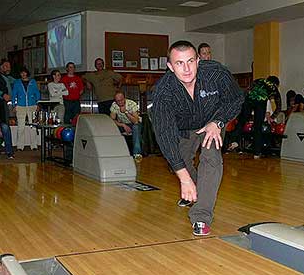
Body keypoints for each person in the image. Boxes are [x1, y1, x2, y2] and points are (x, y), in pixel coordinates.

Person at [152, 40, 244, 236]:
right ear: (170, 67)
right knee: (178, 162)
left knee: (211, 157)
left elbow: (236, 99)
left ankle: (201, 215)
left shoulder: (216, 73)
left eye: (190, 61)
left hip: (213, 122)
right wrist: (184, 179)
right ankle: (196, 189)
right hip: (184, 128)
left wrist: (219, 122)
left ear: (198, 61)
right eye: (179, 63)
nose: (186, 69)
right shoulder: (163, 92)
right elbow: (164, 134)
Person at [231, 76, 281, 159]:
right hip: (261, 102)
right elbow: (279, 106)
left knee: (242, 121)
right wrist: (273, 117)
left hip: (249, 99)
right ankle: (256, 153)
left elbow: (248, 89)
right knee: (258, 127)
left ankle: (234, 140)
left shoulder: (259, 80)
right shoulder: (274, 88)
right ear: (276, 84)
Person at [12, 67, 40, 151]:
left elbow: (37, 93)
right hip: (20, 106)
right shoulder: (17, 82)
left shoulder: (33, 82)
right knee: (21, 126)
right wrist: (14, 105)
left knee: (33, 126)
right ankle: (20, 146)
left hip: (32, 105)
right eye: (21, 73)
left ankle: (34, 145)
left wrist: (38, 103)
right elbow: (14, 94)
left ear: (27, 73)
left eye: (24, 73)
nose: (23, 74)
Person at [110, 91, 142, 160]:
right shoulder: (114, 105)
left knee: (135, 128)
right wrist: (123, 125)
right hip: (123, 124)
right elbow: (112, 120)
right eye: (118, 101)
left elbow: (136, 121)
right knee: (111, 128)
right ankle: (117, 152)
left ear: (124, 98)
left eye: (121, 100)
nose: (120, 102)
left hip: (135, 123)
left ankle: (137, 154)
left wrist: (126, 112)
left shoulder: (132, 104)